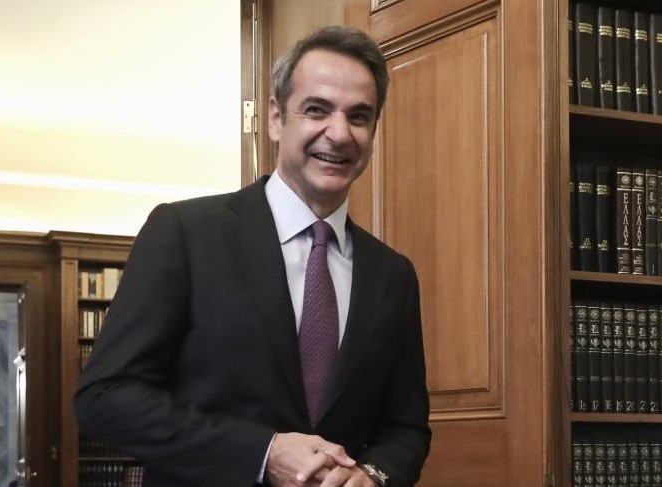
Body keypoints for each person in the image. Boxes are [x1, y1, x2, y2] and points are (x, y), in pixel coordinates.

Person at [74, 26, 430, 487]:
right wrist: (263, 453)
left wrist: (373, 475)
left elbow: (406, 428)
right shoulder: (184, 233)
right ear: (277, 119)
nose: (339, 133)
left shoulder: (393, 275)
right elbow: (105, 398)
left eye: (359, 116)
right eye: (317, 109)